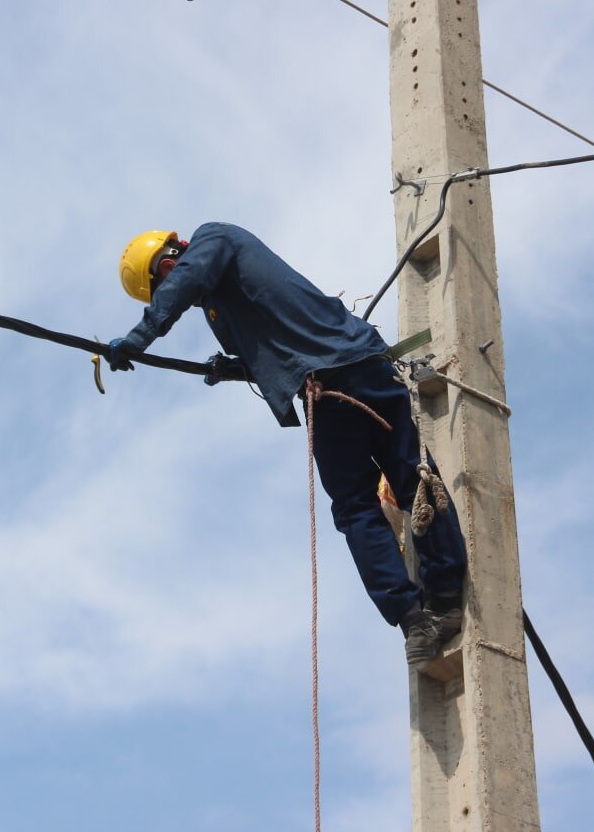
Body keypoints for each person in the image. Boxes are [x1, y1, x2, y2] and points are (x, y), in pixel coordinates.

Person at [107, 223, 468, 666]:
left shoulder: (214, 239)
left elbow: (188, 280)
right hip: (323, 392)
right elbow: (274, 348)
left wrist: (139, 338)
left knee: (412, 479)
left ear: (169, 262)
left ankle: (447, 595)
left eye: (164, 284)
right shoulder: (222, 303)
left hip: (358, 368)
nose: (177, 292)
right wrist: (234, 367)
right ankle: (414, 620)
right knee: (355, 508)